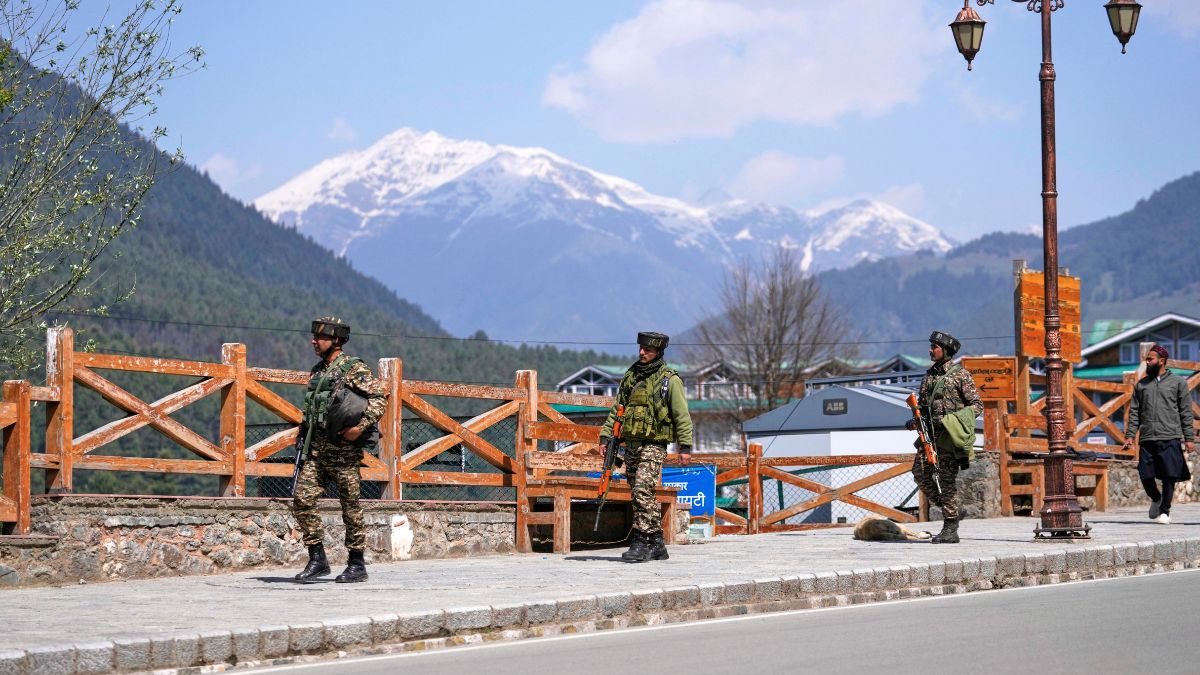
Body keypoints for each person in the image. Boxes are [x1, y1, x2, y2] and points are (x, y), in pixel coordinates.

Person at [292, 317, 388, 582]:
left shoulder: (353, 368)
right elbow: (313, 408)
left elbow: (379, 399)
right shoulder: (318, 371)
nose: (314, 341)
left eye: (320, 337)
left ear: (335, 340)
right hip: (318, 452)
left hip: (344, 453)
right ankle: (317, 558)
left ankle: (357, 564)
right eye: (314, 336)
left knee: (350, 507)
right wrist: (303, 434)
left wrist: (360, 427)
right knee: (302, 499)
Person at [599, 331, 693, 562]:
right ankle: (657, 542)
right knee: (640, 494)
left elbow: (682, 415)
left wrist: (685, 448)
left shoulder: (669, 380)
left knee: (642, 489)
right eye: (641, 348)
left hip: (654, 444)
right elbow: (617, 408)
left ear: (658, 352)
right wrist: (605, 436)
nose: (642, 352)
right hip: (631, 444)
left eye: (648, 350)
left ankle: (641, 542)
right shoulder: (631, 376)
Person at [906, 330, 982, 544]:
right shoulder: (929, 376)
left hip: (948, 437)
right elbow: (921, 405)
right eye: (931, 346)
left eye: (935, 347)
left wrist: (951, 421)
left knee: (946, 482)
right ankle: (953, 511)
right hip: (929, 438)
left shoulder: (960, 375)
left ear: (946, 350)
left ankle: (950, 529)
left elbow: (976, 406)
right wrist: (914, 420)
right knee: (920, 474)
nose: (931, 350)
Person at [1122, 344, 1195, 524]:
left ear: (1161, 361)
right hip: (1147, 437)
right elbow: (1134, 412)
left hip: (1170, 435)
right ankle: (1156, 498)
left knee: (1170, 475)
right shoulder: (1141, 385)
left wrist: (1189, 438)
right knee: (1145, 474)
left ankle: (1165, 511)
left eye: (1150, 359)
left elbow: (1186, 412)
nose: (1147, 362)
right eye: (1147, 359)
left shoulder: (1178, 383)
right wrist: (1130, 435)